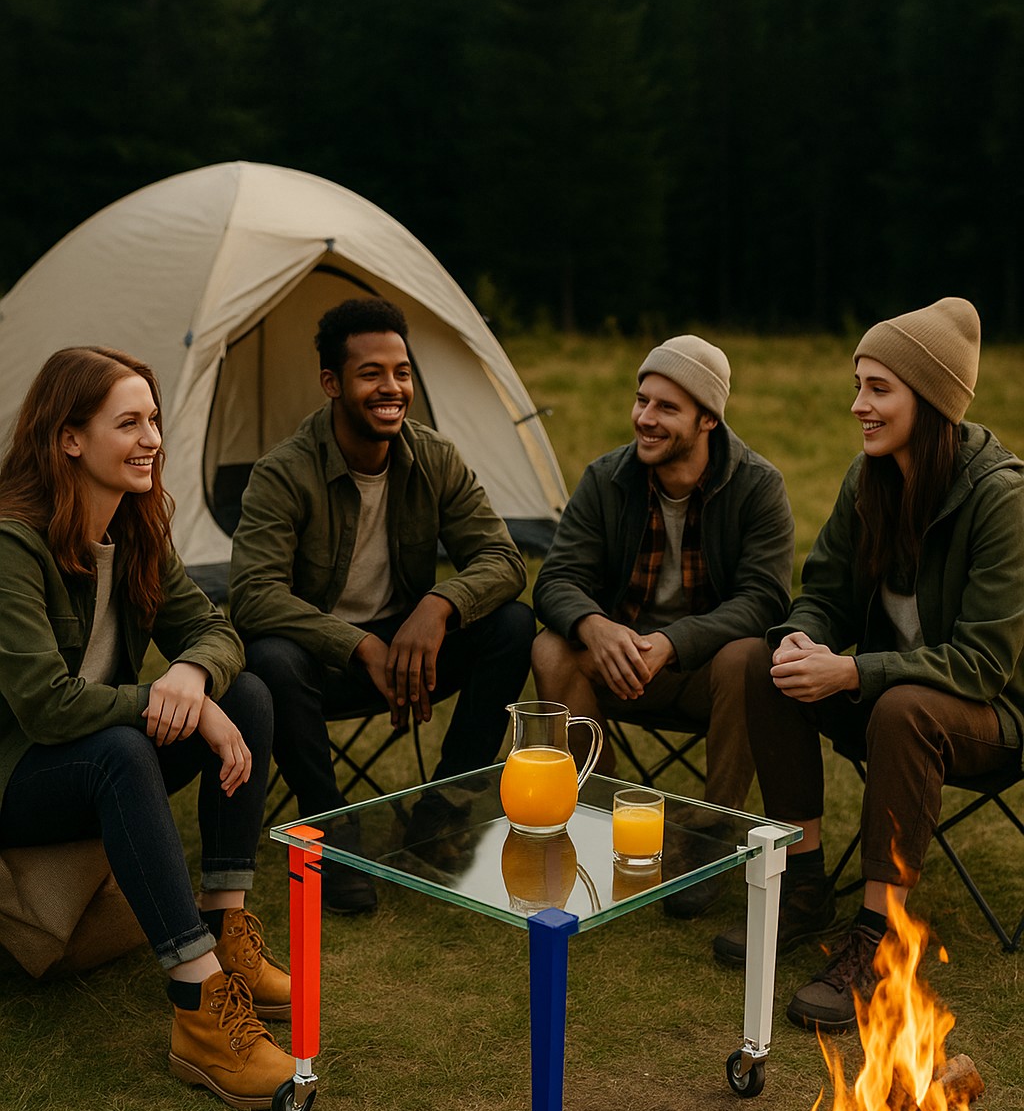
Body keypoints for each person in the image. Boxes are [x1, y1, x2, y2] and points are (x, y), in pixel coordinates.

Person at [713, 297, 1024, 1032]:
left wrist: (853, 673)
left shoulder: (1001, 499)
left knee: (902, 706)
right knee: (763, 661)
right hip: (891, 703)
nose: (859, 405)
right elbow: (825, 595)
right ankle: (804, 882)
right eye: (859, 385)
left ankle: (881, 939)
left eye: (879, 389)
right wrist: (802, 640)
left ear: (932, 401)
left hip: (992, 718)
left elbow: (983, 663)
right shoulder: (870, 478)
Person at [0, 347, 293, 1110]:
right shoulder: (11, 544)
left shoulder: (134, 530)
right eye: (128, 423)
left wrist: (192, 675)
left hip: (92, 754)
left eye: (154, 420)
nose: (152, 440)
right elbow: (46, 706)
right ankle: (199, 1009)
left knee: (248, 694)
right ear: (69, 438)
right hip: (18, 774)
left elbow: (216, 630)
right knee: (124, 749)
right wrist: (168, 702)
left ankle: (225, 927)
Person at [230, 296, 534, 914]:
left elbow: (504, 561)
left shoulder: (434, 457)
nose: (391, 388)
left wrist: (439, 604)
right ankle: (329, 830)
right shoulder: (283, 473)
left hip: (410, 652)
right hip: (322, 663)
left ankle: (441, 811)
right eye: (371, 374)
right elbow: (253, 594)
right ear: (331, 384)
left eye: (401, 372)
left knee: (513, 625)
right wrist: (358, 645)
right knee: (270, 660)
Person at [531, 334, 795, 915]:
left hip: (704, 673)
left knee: (750, 657)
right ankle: (600, 818)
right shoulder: (607, 478)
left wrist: (672, 643)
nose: (645, 418)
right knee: (552, 648)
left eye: (667, 407)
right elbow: (555, 580)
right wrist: (594, 627)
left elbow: (766, 600)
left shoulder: (758, 485)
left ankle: (712, 838)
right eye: (641, 400)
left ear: (708, 420)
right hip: (618, 663)